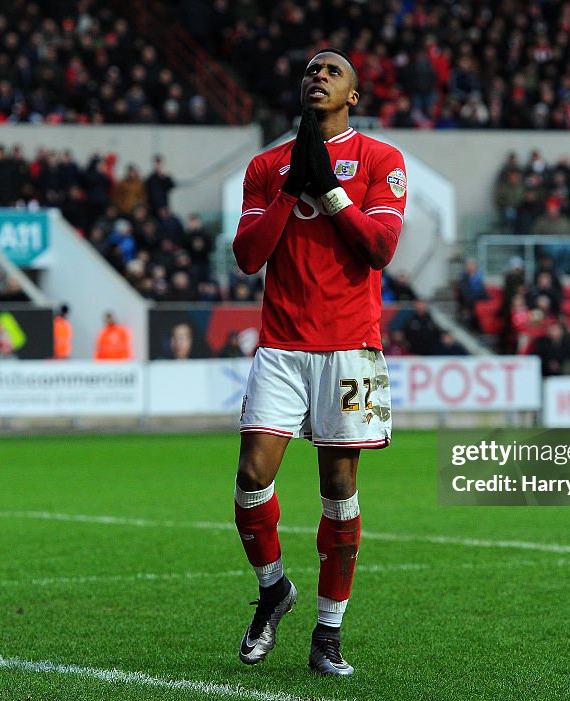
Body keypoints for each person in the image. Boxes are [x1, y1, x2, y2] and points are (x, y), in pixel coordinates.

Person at [229, 48, 406, 677]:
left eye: (332, 72)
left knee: (338, 487)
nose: (318, 77)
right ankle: (274, 588)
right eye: (310, 70)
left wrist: (329, 190)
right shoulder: (266, 165)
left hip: (351, 346)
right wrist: (290, 191)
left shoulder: (382, 160)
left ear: (353, 95)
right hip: (281, 345)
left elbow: (380, 248)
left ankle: (327, 635)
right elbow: (248, 257)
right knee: (252, 474)